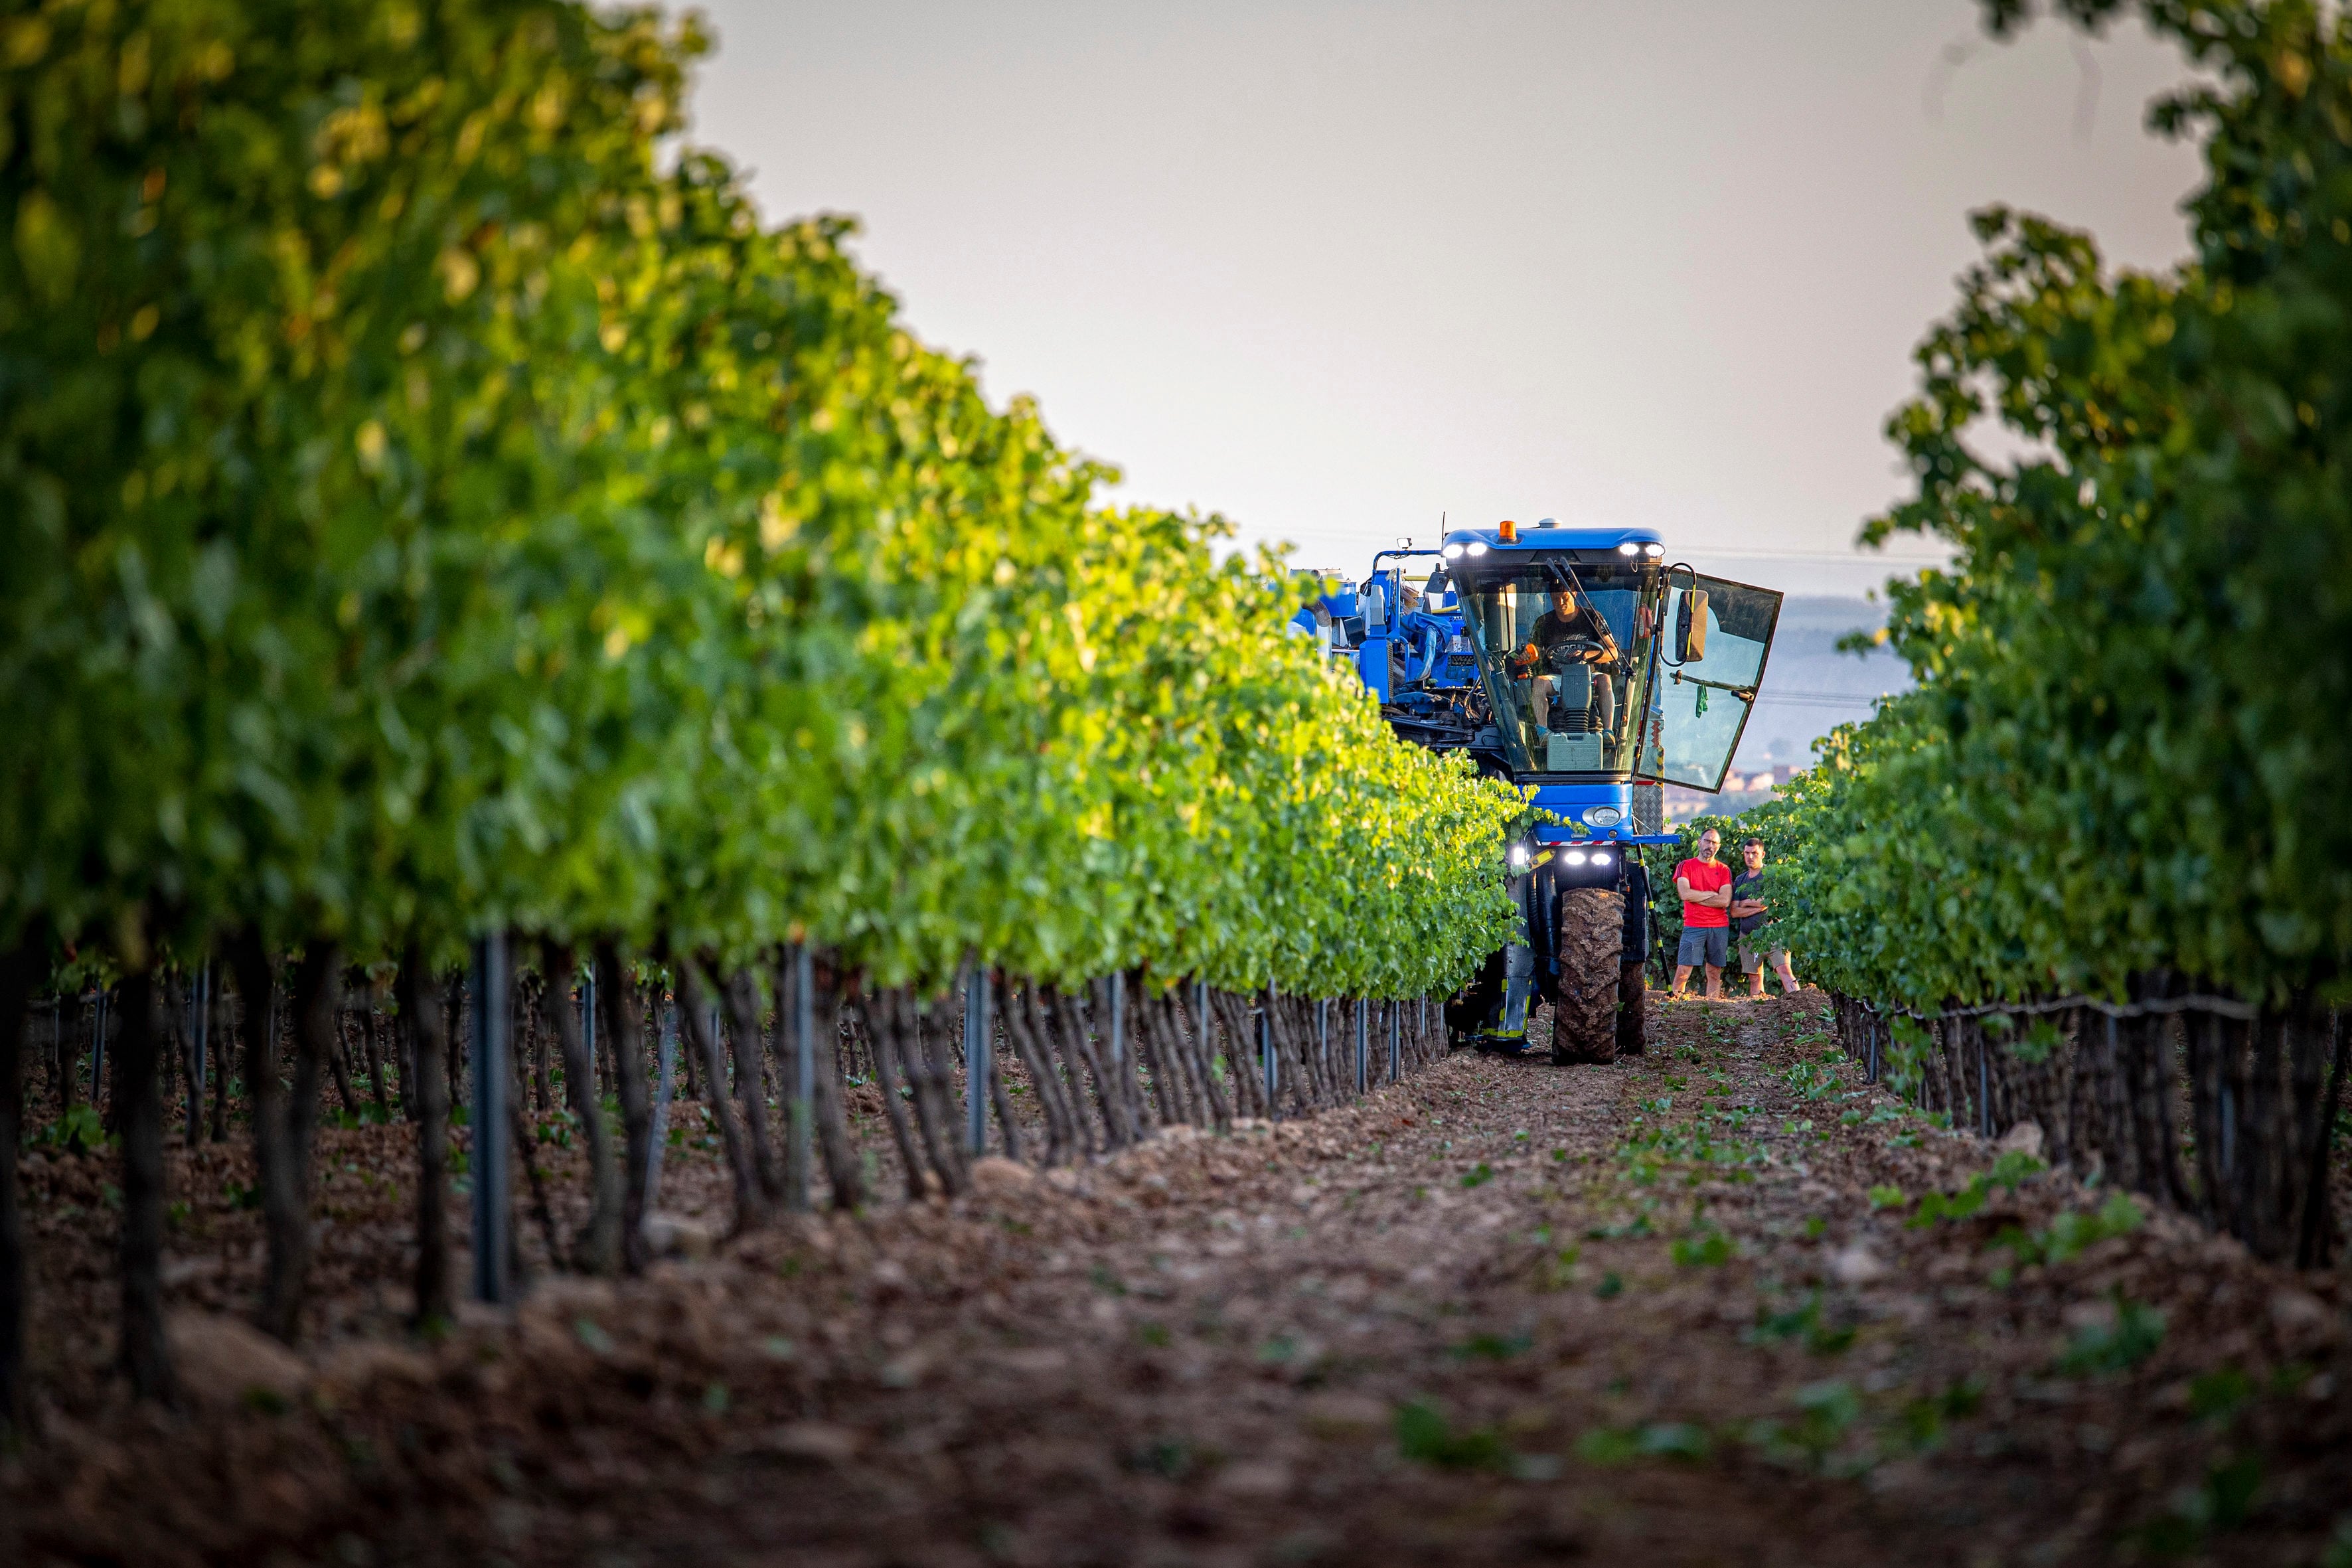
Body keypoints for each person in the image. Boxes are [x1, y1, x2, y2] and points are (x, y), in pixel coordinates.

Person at [1510, 588, 1619, 734]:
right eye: (1555, 599)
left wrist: (1586, 654)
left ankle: (1608, 732)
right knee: (1539, 682)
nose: (1560, 602)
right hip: (1558, 677)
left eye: (1564, 597)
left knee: (1605, 679)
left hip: (1588, 676)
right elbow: (1532, 651)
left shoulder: (1593, 617)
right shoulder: (1544, 622)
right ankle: (1542, 732)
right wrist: (1526, 656)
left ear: (1574, 594)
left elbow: (1613, 652)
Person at [1729, 838, 1804, 997]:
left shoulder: (1771, 874)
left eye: (1754, 853)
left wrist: (1745, 903)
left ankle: (1801, 1005)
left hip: (1774, 934)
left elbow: (1769, 902)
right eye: (1747, 853)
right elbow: (1734, 912)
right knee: (1754, 978)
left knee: (1785, 970)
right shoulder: (1740, 880)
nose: (1750, 857)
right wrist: (1756, 906)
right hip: (1748, 936)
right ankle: (1759, 1013)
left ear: (1762, 854)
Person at [1670, 826, 1733, 1000]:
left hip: (1719, 926)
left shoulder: (1724, 870)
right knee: (1684, 970)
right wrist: (1710, 895)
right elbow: (1684, 894)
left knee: (1714, 972)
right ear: (1699, 842)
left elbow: (1725, 901)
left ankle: (1712, 1007)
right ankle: (1674, 1006)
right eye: (1707, 841)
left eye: (1714, 843)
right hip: (1694, 925)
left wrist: (1696, 897)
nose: (1710, 846)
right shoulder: (1686, 866)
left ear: (1718, 846)